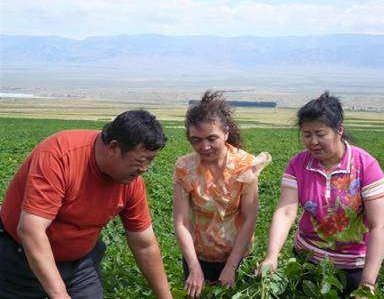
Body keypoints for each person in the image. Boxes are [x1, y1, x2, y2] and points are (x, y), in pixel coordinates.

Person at [0, 110, 172, 299]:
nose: (144, 169)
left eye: (150, 160)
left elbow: (144, 245)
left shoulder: (131, 181)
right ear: (114, 147)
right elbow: (31, 230)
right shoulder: (59, 156)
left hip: (80, 264)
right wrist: (60, 295)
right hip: (21, 260)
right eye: (140, 161)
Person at [259, 92, 384, 297]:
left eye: (320, 134)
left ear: (339, 131)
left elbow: (378, 226)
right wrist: (271, 255)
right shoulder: (298, 164)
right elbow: (285, 212)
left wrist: (367, 282)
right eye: (307, 134)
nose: (313, 142)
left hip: (354, 268)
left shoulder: (365, 166)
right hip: (308, 260)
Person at [173, 91, 271, 297]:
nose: (204, 146)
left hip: (238, 255)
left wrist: (231, 265)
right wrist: (193, 267)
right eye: (196, 140)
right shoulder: (185, 167)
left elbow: (249, 217)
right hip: (198, 256)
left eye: (212, 138)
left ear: (226, 133)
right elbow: (181, 222)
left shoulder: (245, 166)